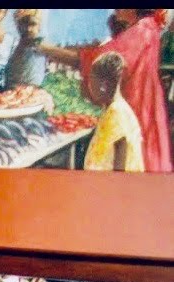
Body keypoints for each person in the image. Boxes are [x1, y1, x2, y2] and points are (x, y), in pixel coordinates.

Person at [40, 9, 171, 173]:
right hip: (142, 106)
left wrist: (45, 49)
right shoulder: (148, 27)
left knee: (126, 162)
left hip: (136, 106)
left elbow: (97, 60)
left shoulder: (142, 31)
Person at [84, 51, 145, 172]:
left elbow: (120, 165)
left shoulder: (116, 113)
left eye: (92, 81)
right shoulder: (113, 108)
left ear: (103, 85)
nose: (89, 86)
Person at [5, 9, 47, 87]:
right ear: (17, 26)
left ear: (39, 26)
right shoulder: (13, 46)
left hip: (32, 93)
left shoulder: (41, 46)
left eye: (33, 24)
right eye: (24, 24)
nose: (28, 29)